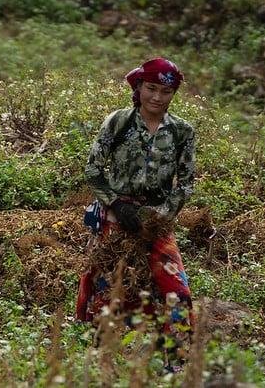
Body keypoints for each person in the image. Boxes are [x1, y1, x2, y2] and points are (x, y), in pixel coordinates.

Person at [75, 57, 196, 372]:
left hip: (157, 222)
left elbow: (185, 183)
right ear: (139, 87)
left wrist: (160, 217)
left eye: (166, 91)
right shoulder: (119, 122)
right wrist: (115, 204)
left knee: (177, 290)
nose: (157, 97)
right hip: (115, 218)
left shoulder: (182, 131)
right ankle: (101, 362)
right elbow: (92, 170)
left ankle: (177, 364)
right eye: (151, 88)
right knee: (108, 290)